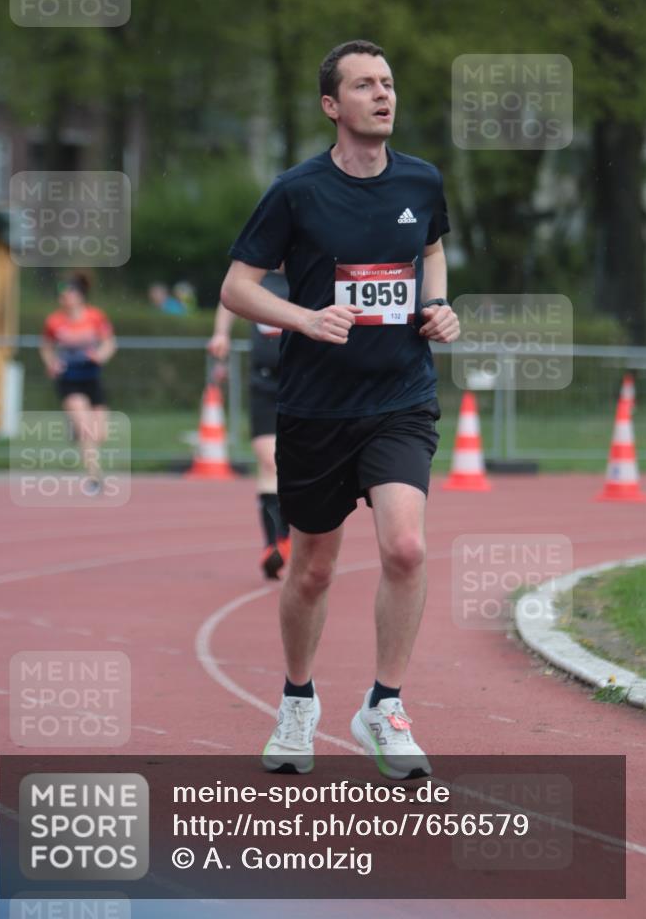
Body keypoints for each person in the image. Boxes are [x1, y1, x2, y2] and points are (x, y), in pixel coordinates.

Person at [220, 40, 460, 779]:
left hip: (399, 398)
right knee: (313, 569)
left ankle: (383, 706)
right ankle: (297, 701)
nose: (382, 95)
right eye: (364, 86)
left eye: (388, 83)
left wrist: (438, 306)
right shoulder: (296, 191)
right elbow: (237, 287)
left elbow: (431, 251)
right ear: (332, 105)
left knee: (406, 548)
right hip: (316, 408)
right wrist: (301, 318)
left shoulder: (421, 180)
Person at [208, 270, 291, 580]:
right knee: (269, 460)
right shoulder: (257, 274)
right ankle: (274, 544)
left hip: (306, 383)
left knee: (301, 464)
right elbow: (229, 296)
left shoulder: (308, 266)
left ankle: (294, 535)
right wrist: (221, 334)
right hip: (265, 384)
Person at [40, 273, 117, 495]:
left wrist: (100, 355)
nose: (65, 298)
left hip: (91, 378)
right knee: (85, 430)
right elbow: (45, 346)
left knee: (99, 433)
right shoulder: (54, 321)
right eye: (61, 295)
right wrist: (51, 363)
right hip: (69, 380)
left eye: (69, 294)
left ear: (80, 296)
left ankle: (76, 431)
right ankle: (94, 477)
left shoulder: (95, 317)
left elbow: (110, 342)